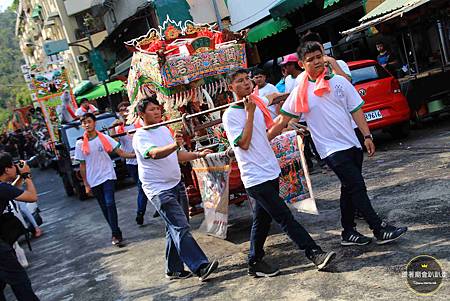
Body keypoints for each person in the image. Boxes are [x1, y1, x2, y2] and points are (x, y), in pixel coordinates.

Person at [270, 41, 408, 246]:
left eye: (319, 57)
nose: (316, 62)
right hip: (331, 150)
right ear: (301, 64)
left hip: (352, 144)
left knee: (348, 188)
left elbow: (356, 110)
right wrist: (265, 139)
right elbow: (282, 120)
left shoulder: (340, 82)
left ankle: (348, 232)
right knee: (357, 186)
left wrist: (367, 136)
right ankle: (378, 228)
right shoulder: (300, 91)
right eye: (311, 60)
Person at [222, 69, 336, 278]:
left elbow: (265, 131)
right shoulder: (230, 115)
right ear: (231, 88)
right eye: (240, 81)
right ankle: (314, 253)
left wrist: (287, 126)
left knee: (262, 220)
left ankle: (254, 260)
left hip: (270, 170)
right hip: (255, 177)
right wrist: (249, 114)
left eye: (247, 79)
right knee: (284, 216)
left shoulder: (256, 104)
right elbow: (244, 144)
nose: (246, 83)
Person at [132, 96, 219, 281]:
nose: (156, 112)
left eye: (157, 108)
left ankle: (173, 269)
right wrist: (174, 144)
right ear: (141, 114)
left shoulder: (164, 129)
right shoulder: (140, 136)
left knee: (174, 228)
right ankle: (200, 266)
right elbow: (154, 154)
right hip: (158, 190)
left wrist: (197, 154)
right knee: (181, 227)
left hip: (175, 184)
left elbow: (177, 155)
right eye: (151, 109)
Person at [74, 113, 136, 246]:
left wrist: (136, 155)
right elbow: (82, 165)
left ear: (94, 122)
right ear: (82, 125)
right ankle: (116, 231)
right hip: (93, 179)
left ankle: (115, 233)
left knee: (109, 203)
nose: (87, 124)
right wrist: (86, 184)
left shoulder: (104, 138)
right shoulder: (79, 144)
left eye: (89, 121)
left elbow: (121, 153)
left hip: (108, 175)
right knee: (104, 207)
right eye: (84, 122)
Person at [0, 152, 40, 300]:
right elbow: (32, 197)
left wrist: (20, 177)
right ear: (6, 169)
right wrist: (27, 175)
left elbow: (11, 191)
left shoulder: (3, 187)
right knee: (20, 280)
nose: (15, 167)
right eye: (12, 165)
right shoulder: (3, 188)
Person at [111, 101, 154, 225]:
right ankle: (145, 211)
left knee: (146, 186)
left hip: (144, 159)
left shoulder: (137, 123)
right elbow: (114, 141)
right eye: (121, 109)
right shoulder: (119, 127)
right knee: (142, 187)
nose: (124, 110)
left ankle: (141, 212)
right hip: (131, 162)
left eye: (126, 108)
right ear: (119, 113)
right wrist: (113, 126)